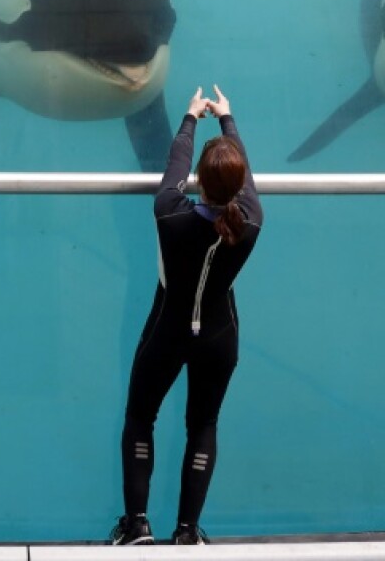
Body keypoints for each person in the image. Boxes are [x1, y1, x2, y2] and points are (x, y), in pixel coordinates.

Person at [111, 85, 264, 546]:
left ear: (200, 178)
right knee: (203, 425)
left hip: (168, 330)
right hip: (219, 337)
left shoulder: (169, 213)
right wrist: (229, 122)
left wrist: (190, 118)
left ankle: (137, 525)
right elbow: (247, 179)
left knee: (141, 417)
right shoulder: (252, 220)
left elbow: (173, 169)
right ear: (237, 187)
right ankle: (186, 532)